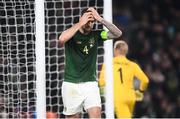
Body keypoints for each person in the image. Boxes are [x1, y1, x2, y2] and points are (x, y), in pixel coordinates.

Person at [59, 7, 122, 118]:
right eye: (88, 20)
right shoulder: (72, 32)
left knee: (96, 116)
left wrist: (100, 19)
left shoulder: (96, 35)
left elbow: (117, 33)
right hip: (71, 84)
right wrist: (79, 23)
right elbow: (61, 39)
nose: (90, 24)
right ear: (81, 19)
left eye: (92, 21)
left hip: (90, 84)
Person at [99, 40, 149, 118]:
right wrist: (140, 91)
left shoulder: (108, 64)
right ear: (126, 51)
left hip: (117, 97)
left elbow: (101, 82)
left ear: (115, 50)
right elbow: (145, 80)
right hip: (131, 97)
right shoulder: (133, 65)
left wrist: (105, 97)